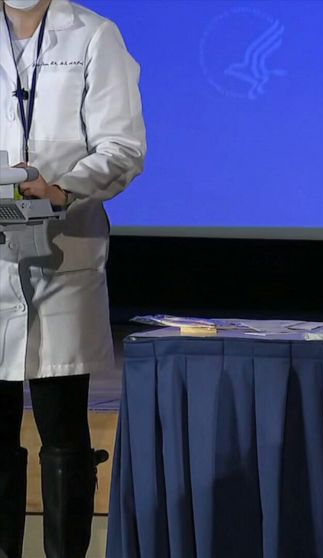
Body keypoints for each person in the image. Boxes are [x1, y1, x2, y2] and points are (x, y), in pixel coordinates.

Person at [0, 0, 146, 556]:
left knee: (63, 435)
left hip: (64, 252)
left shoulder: (93, 35)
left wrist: (62, 189)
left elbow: (123, 146)